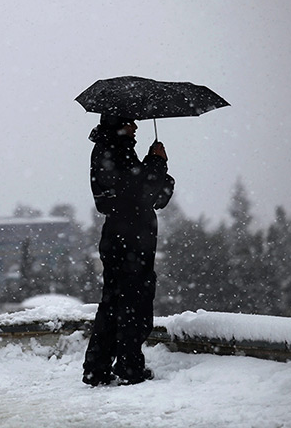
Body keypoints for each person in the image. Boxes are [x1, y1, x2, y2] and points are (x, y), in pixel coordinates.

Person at [82, 114, 174, 386]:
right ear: (116, 124)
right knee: (134, 304)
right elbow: (138, 193)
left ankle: (97, 368)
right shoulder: (113, 151)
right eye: (129, 122)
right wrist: (157, 162)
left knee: (114, 303)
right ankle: (129, 368)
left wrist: (157, 168)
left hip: (122, 237)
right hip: (130, 240)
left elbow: (145, 193)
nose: (135, 127)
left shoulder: (113, 150)